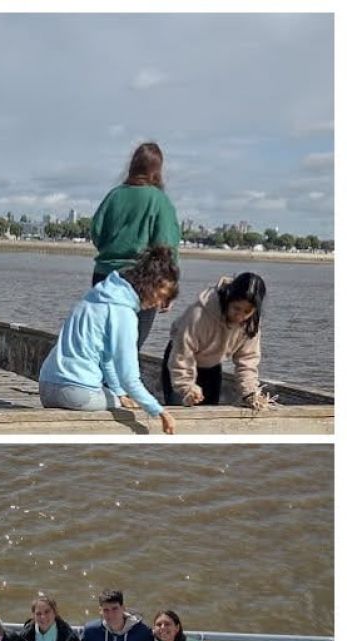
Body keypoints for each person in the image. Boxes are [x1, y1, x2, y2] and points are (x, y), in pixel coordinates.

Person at [39, 246, 178, 434]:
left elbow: (105, 356)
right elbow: (130, 379)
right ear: (149, 284)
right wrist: (160, 412)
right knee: (124, 408)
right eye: (161, 296)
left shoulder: (96, 295)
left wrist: (119, 392)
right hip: (76, 393)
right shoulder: (124, 314)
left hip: (46, 386)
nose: (159, 304)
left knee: (116, 396)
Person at [91, 142, 180, 349]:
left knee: (102, 343)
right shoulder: (159, 201)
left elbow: (96, 232)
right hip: (142, 282)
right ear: (157, 170)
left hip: (104, 277)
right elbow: (166, 247)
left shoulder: (113, 196)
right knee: (129, 348)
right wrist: (169, 286)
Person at [162, 272, 268, 409]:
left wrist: (250, 392)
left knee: (209, 413)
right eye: (236, 308)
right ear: (228, 299)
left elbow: (247, 361)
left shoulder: (251, 324)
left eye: (247, 311)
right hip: (179, 360)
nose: (240, 316)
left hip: (212, 365)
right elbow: (182, 354)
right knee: (178, 412)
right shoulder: (200, 314)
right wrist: (186, 386)